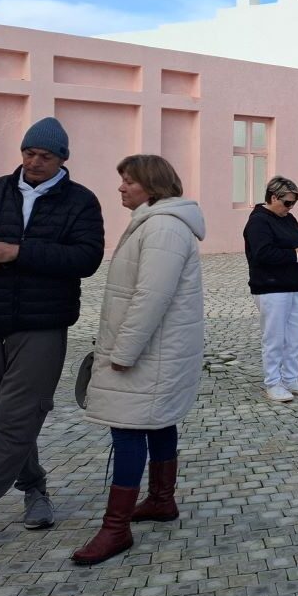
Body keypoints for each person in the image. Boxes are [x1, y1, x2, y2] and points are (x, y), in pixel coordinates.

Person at [71, 155, 205, 565]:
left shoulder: (163, 226)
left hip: (149, 353)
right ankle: (161, 500)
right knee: (158, 420)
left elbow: (151, 297)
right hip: (158, 352)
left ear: (152, 185)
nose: (121, 187)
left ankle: (116, 529)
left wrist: (123, 352)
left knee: (129, 429)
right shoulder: (159, 222)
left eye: (128, 181)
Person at [0, 117, 104, 529]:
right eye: (28, 152)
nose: (35, 161)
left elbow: (86, 259)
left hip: (42, 324)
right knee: (2, 413)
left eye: (45, 155)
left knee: (20, 412)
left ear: (62, 159)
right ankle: (34, 487)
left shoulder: (80, 201)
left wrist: (18, 253)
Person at [244, 176, 298, 403]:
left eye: (293, 203)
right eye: (287, 202)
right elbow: (262, 253)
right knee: (274, 338)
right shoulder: (258, 222)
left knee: (296, 335)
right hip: (270, 287)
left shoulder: (287, 218)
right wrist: (294, 255)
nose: (290, 208)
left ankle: (290, 378)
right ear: (273, 197)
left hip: (293, 284)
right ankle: (273, 382)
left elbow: (296, 239)